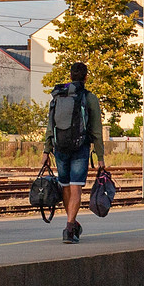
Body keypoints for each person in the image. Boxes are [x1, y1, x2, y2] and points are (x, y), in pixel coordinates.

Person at [43, 61, 105, 244]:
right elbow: (96, 130)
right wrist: (100, 156)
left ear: (70, 76)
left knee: (65, 186)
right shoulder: (90, 98)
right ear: (86, 77)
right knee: (76, 186)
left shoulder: (57, 96)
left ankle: (71, 223)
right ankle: (70, 228)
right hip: (80, 147)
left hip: (59, 148)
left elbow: (49, 126)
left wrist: (46, 150)